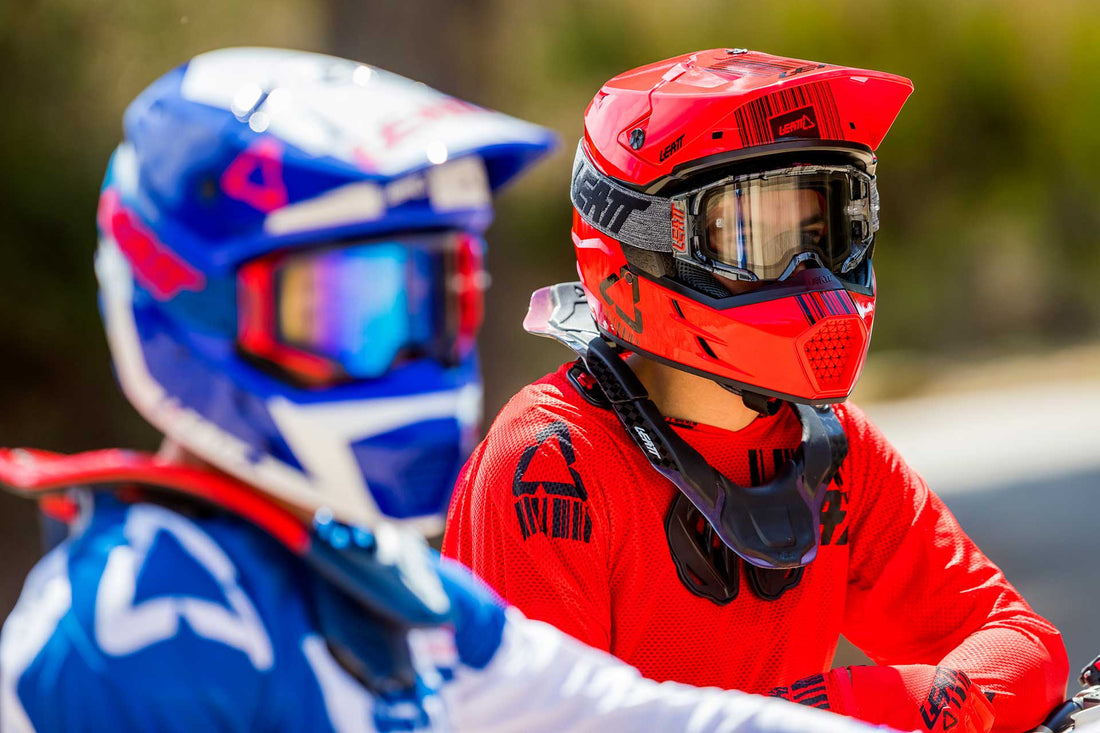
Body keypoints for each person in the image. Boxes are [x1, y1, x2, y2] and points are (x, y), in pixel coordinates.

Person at [0, 47, 898, 733]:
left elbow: (622, 713)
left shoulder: (374, 577)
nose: (412, 353)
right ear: (193, 306)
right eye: (355, 310)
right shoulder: (136, 627)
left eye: (439, 296)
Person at [442, 48, 1070, 733]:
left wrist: (863, 705)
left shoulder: (830, 445)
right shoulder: (551, 465)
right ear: (641, 240)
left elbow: (1024, 645)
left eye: (819, 234)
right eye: (752, 238)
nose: (808, 272)